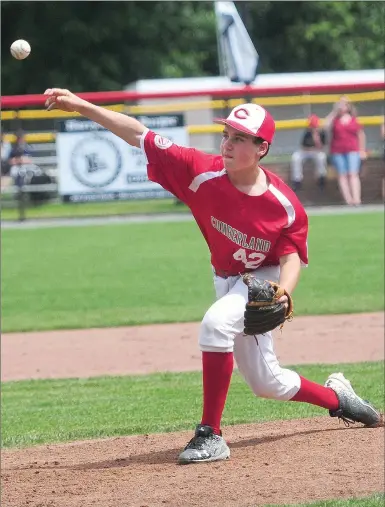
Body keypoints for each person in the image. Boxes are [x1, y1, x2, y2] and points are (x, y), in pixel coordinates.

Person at [44, 88, 383, 464]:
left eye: (239, 138)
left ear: (261, 149)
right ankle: (341, 399)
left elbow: (290, 257)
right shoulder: (199, 172)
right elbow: (137, 133)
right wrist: (80, 105)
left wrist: (283, 293)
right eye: (226, 135)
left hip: (262, 278)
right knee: (267, 383)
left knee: (215, 324)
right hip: (226, 277)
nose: (228, 143)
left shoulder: (284, 203)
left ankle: (211, 434)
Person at [324, 96, 366, 206]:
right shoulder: (335, 120)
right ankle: (348, 200)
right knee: (342, 175)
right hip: (337, 151)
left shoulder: (353, 119)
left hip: (353, 150)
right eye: (341, 104)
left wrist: (362, 150)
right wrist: (334, 111)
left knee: (353, 174)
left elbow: (361, 135)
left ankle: (357, 199)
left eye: (345, 104)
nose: (342, 107)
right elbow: (325, 126)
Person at [290, 114, 327, 192]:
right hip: (306, 152)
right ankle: (297, 180)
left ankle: (321, 178)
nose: (313, 128)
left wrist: (316, 137)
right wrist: (310, 147)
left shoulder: (322, 132)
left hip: (317, 152)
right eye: (312, 126)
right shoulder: (307, 132)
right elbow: (303, 146)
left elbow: (322, 147)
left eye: (315, 126)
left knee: (321, 157)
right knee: (296, 157)